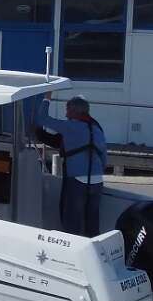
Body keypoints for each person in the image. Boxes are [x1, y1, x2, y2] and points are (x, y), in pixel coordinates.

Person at [34, 94, 108, 236]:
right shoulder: (97, 128)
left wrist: (47, 98)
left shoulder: (70, 126)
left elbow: (42, 119)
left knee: (72, 222)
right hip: (97, 181)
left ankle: (71, 247)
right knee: (92, 223)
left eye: (67, 110)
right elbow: (104, 158)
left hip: (77, 180)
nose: (66, 114)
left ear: (75, 111)